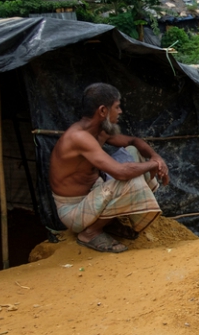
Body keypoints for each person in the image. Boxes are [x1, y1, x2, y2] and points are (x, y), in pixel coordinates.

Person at [49, 83, 169, 253]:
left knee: (133, 152)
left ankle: (108, 222)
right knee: (130, 180)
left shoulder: (99, 131)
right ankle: (90, 233)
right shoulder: (79, 137)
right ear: (103, 111)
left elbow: (133, 141)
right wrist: (155, 164)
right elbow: (121, 173)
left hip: (92, 195)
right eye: (117, 107)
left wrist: (156, 157)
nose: (120, 111)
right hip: (74, 210)